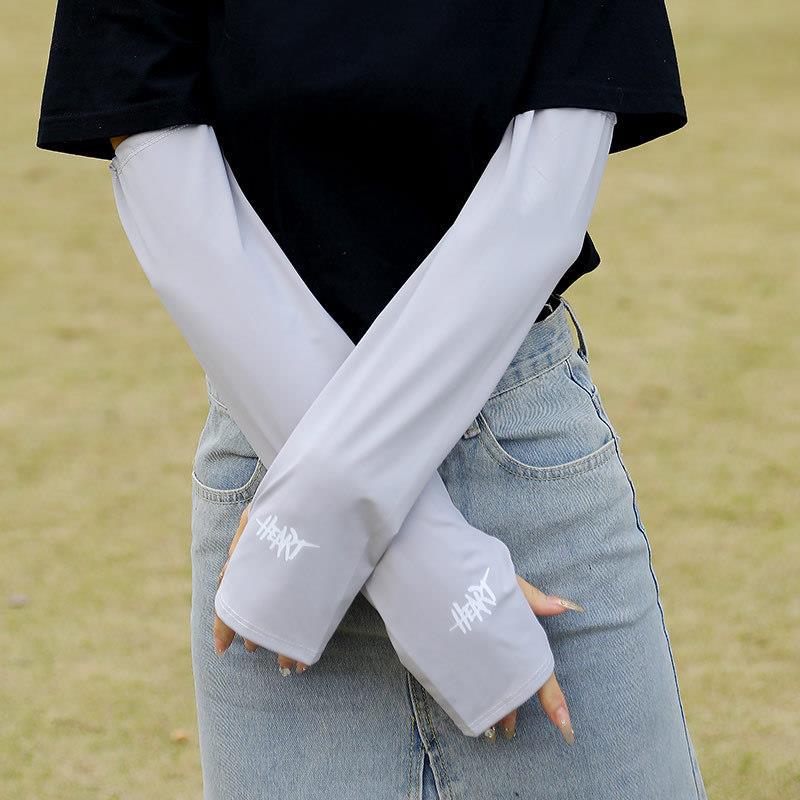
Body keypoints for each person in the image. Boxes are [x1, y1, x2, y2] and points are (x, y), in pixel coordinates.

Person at [36, 2, 706, 798]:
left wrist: (324, 499)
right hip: (278, 465)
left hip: (458, 473)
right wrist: (431, 570)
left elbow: (544, 199)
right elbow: (166, 189)